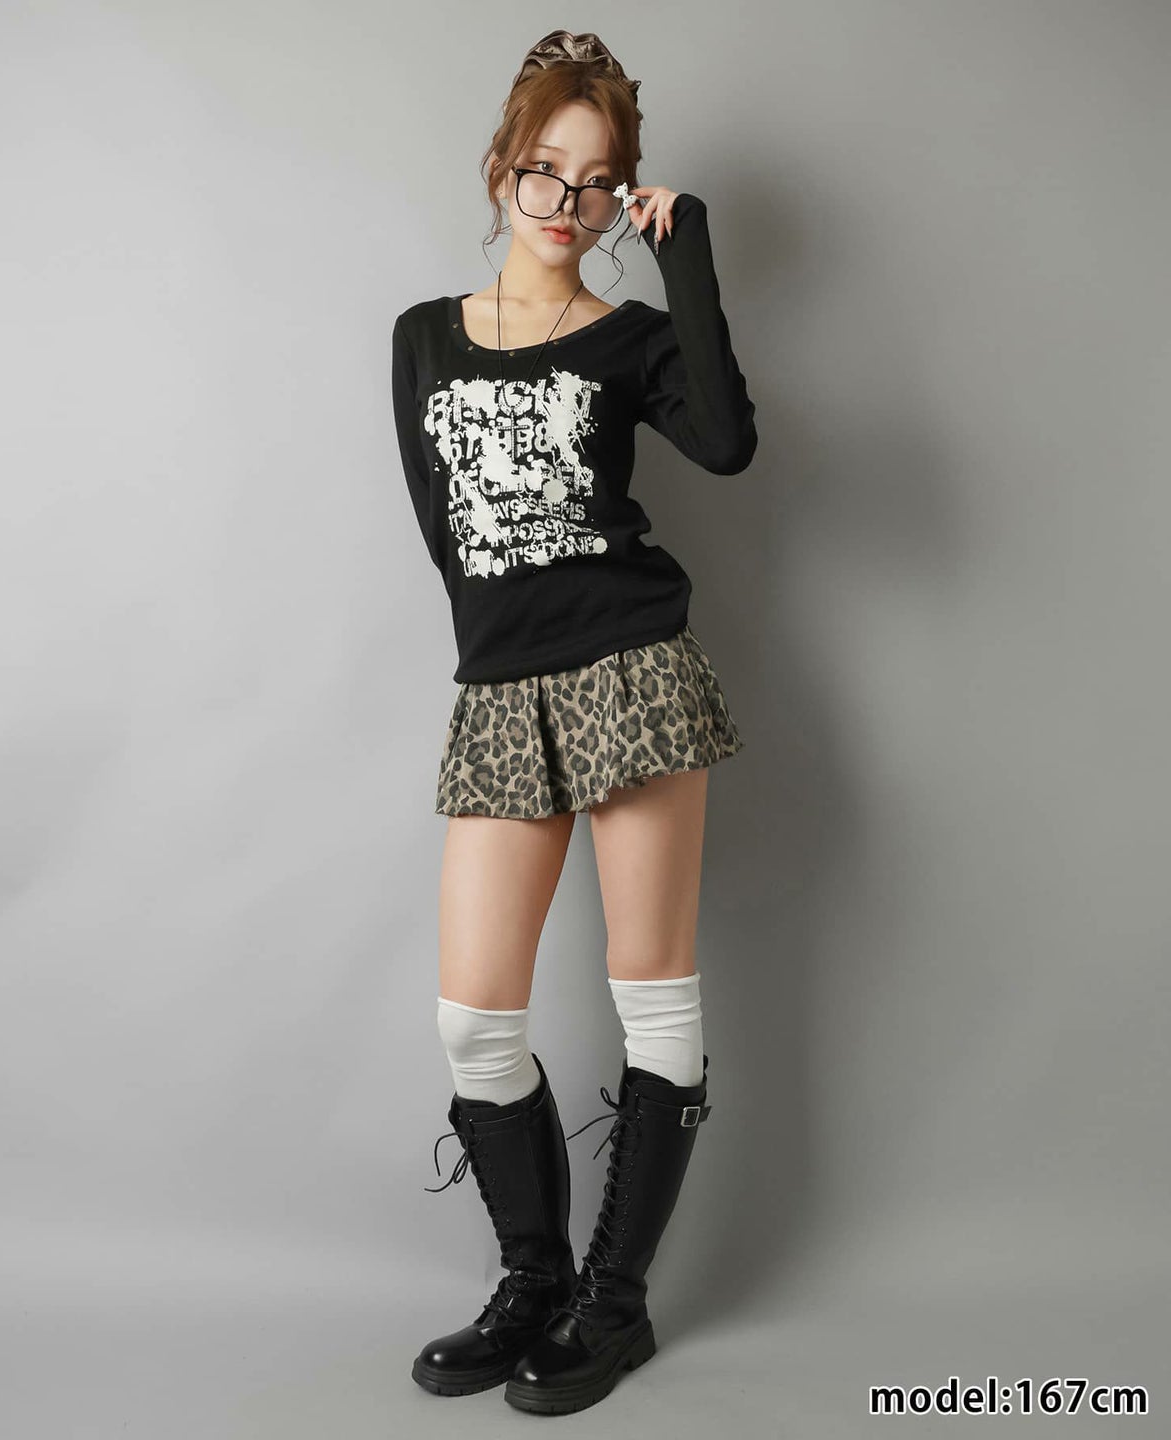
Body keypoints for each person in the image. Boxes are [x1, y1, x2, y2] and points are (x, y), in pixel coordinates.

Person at [391, 29, 757, 1416]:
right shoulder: (422, 338)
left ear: (620, 200)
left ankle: (615, 1304)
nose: (567, 200)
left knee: (650, 992)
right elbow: (450, 541)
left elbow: (724, 443)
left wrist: (688, 255)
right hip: (504, 692)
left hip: (632, 671)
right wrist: (502, 670)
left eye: (598, 181)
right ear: (503, 171)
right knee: (474, 1020)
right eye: (545, 169)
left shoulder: (631, 338)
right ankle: (531, 1283)